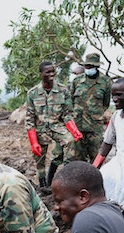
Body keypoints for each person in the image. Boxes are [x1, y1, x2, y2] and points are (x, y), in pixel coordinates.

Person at [25, 61, 83, 191]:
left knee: (70, 141)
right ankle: (43, 183)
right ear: (41, 74)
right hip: (40, 129)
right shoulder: (32, 93)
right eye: (48, 72)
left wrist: (74, 131)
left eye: (53, 71)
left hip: (57, 127)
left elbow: (68, 114)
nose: (51, 74)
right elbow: (29, 119)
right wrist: (33, 142)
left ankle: (67, 176)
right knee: (39, 157)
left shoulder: (63, 90)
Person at [71, 53, 112, 163]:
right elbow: (70, 101)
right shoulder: (77, 81)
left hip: (95, 129)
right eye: (86, 66)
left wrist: (95, 114)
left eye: (91, 66)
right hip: (77, 128)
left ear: (97, 66)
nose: (88, 68)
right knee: (76, 160)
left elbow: (106, 103)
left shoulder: (106, 82)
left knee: (96, 160)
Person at [93, 78, 124, 208]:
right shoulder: (116, 116)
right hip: (120, 162)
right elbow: (107, 144)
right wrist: (94, 167)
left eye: (119, 95)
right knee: (104, 182)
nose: (115, 99)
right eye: (113, 95)